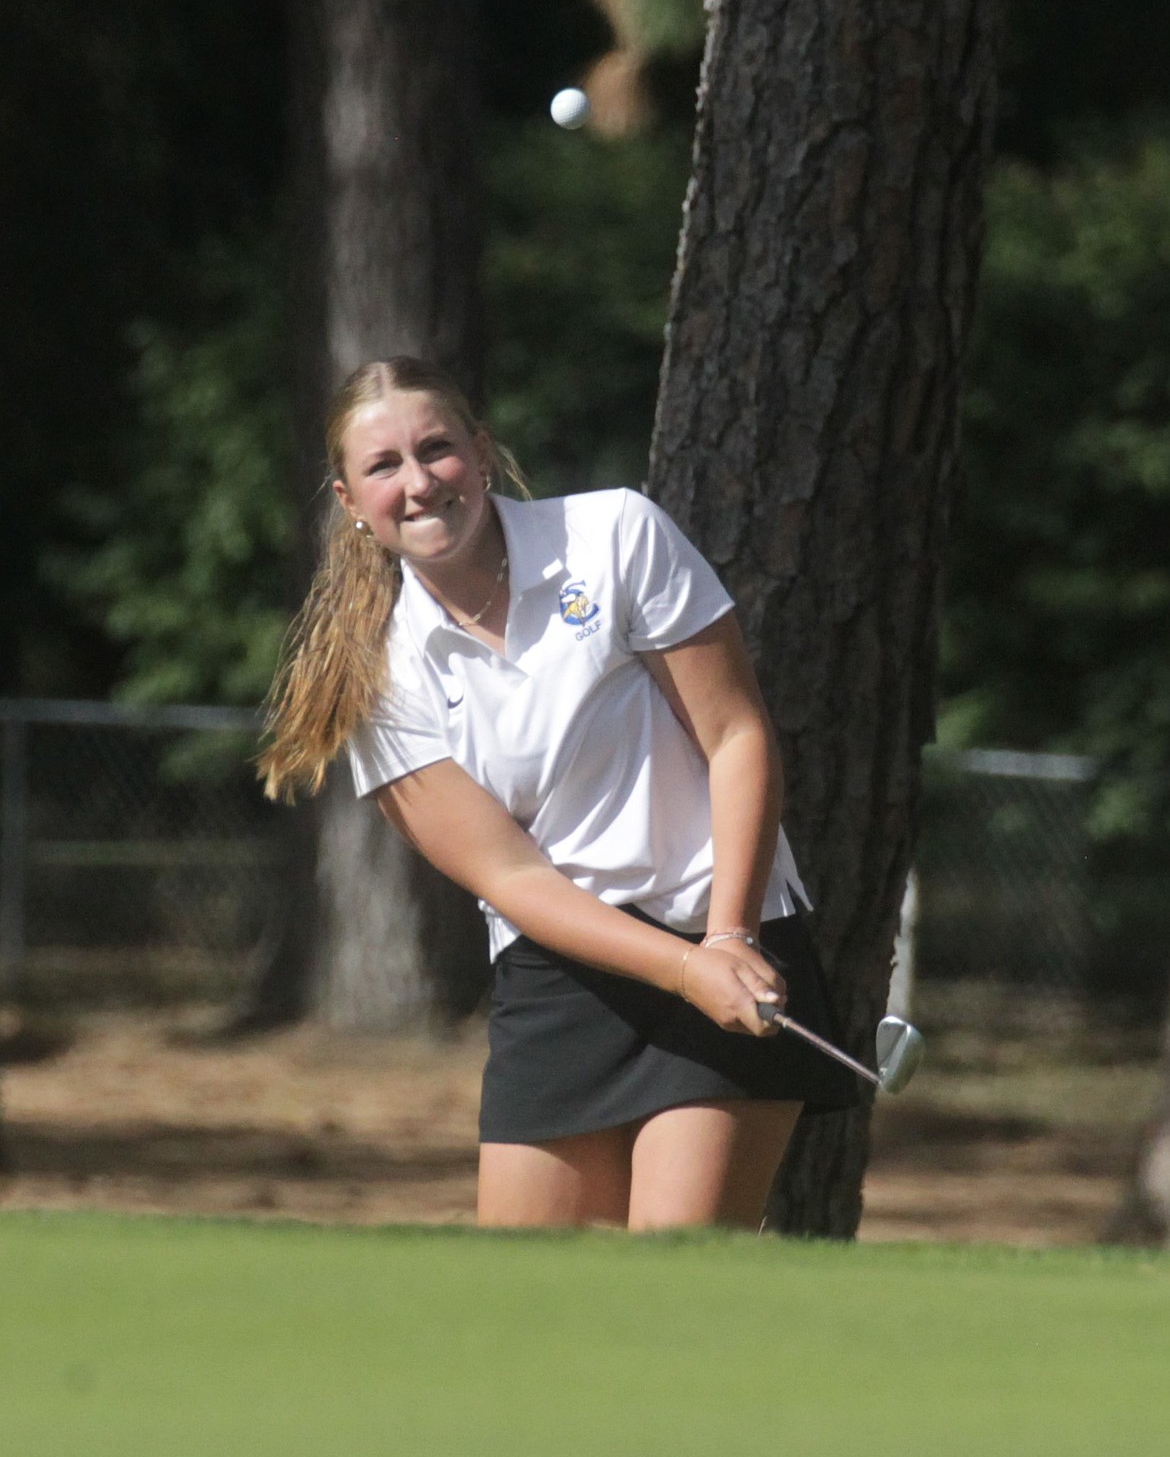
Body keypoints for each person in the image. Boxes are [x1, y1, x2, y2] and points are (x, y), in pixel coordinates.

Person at [260, 356, 856, 1231]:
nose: (419, 482)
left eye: (437, 449)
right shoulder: (376, 677)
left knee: (672, 1291)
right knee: (530, 1309)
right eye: (384, 467)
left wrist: (726, 937)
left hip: (725, 930)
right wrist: (684, 970)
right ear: (351, 503)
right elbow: (513, 880)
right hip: (561, 970)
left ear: (483, 452)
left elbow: (737, 737)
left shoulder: (615, 534)